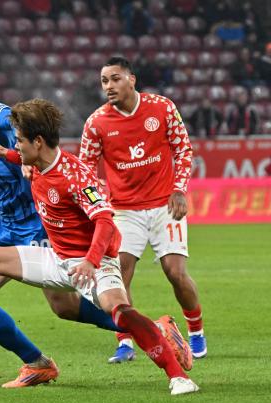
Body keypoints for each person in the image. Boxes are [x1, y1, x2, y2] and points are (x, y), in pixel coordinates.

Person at [0, 98, 198, 395]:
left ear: (38, 142)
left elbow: (106, 220)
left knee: (119, 311)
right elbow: (20, 157)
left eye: (19, 141)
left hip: (92, 262)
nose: (15, 146)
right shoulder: (36, 164)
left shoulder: (74, 175)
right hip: (57, 260)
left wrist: (91, 261)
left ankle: (177, 375)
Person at [79, 56, 207, 362]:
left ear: (131, 79)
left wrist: (178, 189)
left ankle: (196, 332)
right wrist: (98, 205)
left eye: (115, 79)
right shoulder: (97, 122)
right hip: (123, 211)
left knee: (175, 272)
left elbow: (183, 149)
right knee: (119, 276)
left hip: (164, 205)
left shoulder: (161, 107)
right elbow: (85, 170)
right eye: (104, 81)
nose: (108, 86)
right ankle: (125, 342)